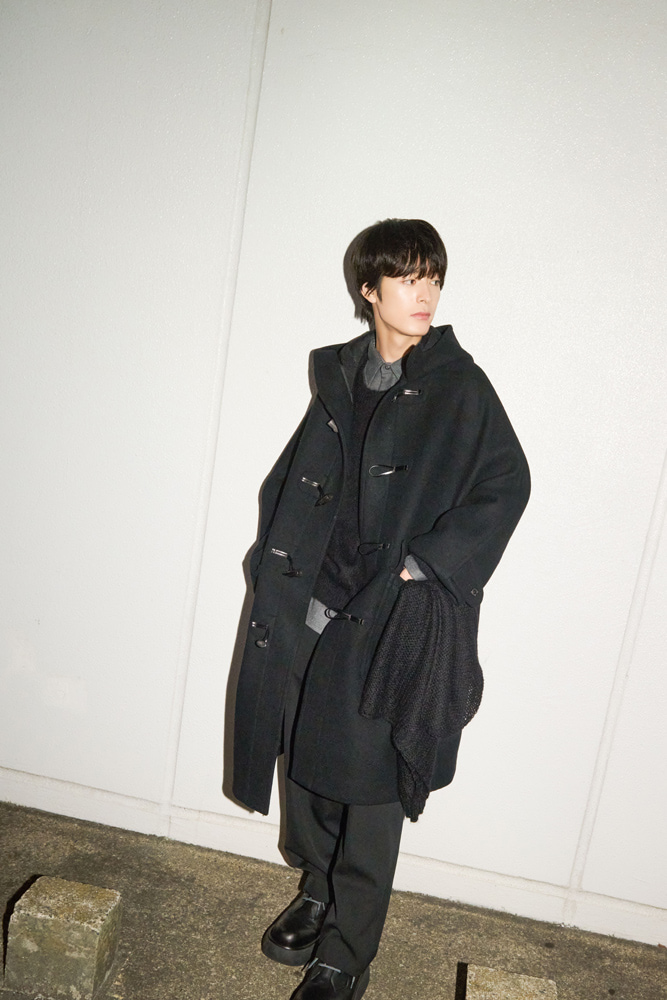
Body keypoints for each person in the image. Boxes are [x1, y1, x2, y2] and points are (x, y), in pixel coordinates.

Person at [230, 219, 530, 1000]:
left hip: (385, 621)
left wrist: (423, 563)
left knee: (368, 792)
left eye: (433, 276)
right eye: (406, 277)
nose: (424, 292)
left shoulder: (458, 386)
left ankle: (346, 954)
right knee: (305, 771)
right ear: (369, 290)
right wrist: (272, 562)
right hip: (311, 609)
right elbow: (292, 478)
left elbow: (507, 484)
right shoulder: (340, 376)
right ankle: (316, 890)